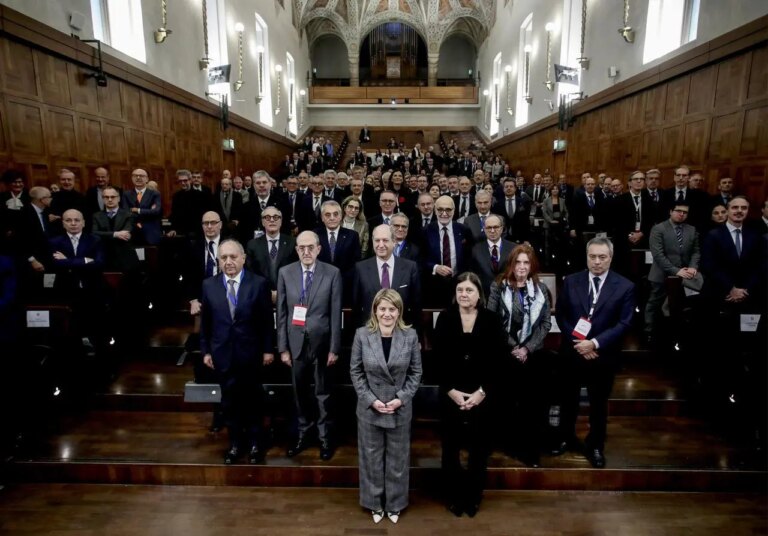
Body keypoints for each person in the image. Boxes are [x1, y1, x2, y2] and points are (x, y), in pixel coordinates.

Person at [554, 237, 635, 469]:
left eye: (602, 257)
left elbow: (624, 323)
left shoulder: (625, 286)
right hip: (573, 352)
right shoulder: (571, 281)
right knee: (568, 400)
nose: (597, 262)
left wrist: (595, 343)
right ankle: (565, 438)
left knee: (598, 404)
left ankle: (596, 445)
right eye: (592, 256)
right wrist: (581, 343)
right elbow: (562, 315)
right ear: (586, 256)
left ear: (610, 257)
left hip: (603, 356)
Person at [434, 272, 505, 518]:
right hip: (451, 393)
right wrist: (451, 391)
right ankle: (453, 496)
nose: (464, 294)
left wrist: (481, 393)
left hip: (481, 394)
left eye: (469, 290)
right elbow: (437, 360)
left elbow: (499, 362)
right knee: (450, 448)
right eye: (460, 290)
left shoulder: (492, 320)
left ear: (479, 294)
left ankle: (473, 497)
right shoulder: (444, 318)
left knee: (479, 448)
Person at [350, 288, 422, 525]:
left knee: (397, 460)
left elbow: (415, 373)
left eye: (392, 309)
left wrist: (400, 398)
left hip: (399, 408)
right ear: (375, 310)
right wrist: (372, 400)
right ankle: (374, 503)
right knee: (371, 459)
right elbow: (356, 372)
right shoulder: (362, 334)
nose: (387, 314)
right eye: (382, 309)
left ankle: (395, 504)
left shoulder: (410, 336)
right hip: (370, 408)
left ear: (399, 311)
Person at [200, 239, 274, 465]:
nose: (229, 262)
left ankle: (254, 445)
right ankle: (235, 444)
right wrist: (206, 352)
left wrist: (268, 350)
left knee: (252, 401)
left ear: (243, 258)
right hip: (223, 354)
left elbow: (265, 322)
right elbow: (206, 324)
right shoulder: (209, 285)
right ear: (219, 261)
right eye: (224, 258)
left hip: (250, 354)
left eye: (233, 257)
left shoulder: (258, 283)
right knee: (229, 403)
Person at [277, 231, 342, 461]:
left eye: (310, 247)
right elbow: (282, 313)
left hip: (322, 343)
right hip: (295, 343)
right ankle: (303, 434)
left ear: (318, 249)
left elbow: (335, 313)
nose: (306, 251)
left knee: (323, 394)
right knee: (299, 393)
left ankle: (325, 438)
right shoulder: (285, 272)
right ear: (296, 249)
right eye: (301, 247)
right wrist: (283, 347)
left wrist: (335, 347)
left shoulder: (332, 273)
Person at [487, 245, 552, 467]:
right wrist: (515, 347)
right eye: (518, 263)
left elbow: (546, 323)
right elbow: (492, 321)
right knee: (507, 398)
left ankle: (530, 448)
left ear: (531, 265)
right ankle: (509, 444)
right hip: (505, 353)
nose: (522, 267)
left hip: (531, 353)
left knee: (533, 400)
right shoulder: (498, 287)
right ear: (511, 265)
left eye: (526, 263)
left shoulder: (541, 289)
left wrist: (527, 348)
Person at [644, 202, 701, 342]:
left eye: (685, 212)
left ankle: (675, 334)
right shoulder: (658, 229)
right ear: (671, 211)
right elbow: (658, 255)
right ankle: (648, 330)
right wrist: (676, 271)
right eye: (678, 211)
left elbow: (696, 251)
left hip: (686, 275)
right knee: (655, 302)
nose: (681, 214)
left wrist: (693, 266)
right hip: (661, 274)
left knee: (679, 305)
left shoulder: (691, 229)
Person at [121, 168, 162, 245]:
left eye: (141, 176)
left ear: (147, 179)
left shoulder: (155, 194)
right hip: (133, 231)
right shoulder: (126, 194)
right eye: (135, 176)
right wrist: (148, 211)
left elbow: (156, 211)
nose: (138, 178)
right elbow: (125, 213)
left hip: (151, 232)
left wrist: (137, 210)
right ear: (132, 178)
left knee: (151, 255)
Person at [542, 183, 569, 270]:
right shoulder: (546, 200)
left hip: (560, 225)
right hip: (549, 225)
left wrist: (565, 219)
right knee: (548, 245)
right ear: (550, 191)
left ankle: (559, 263)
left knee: (559, 245)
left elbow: (566, 211)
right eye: (553, 189)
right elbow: (544, 213)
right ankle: (547, 264)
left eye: (556, 189)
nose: (555, 190)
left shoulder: (562, 200)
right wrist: (550, 220)